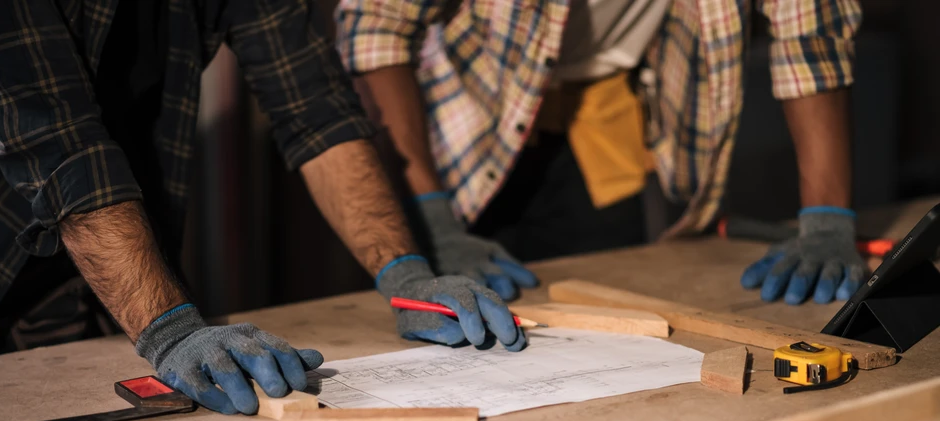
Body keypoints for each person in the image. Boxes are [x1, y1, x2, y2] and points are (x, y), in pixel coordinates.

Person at [0, 0, 525, 416]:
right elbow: (63, 146)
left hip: (110, 252)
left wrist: (403, 271)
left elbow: (318, 111)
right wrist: (170, 331)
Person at [335, 0, 866, 306]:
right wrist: (430, 215)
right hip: (454, 133)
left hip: (597, 130)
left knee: (593, 328)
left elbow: (810, 28)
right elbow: (376, 25)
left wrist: (827, 217)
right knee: (433, 322)